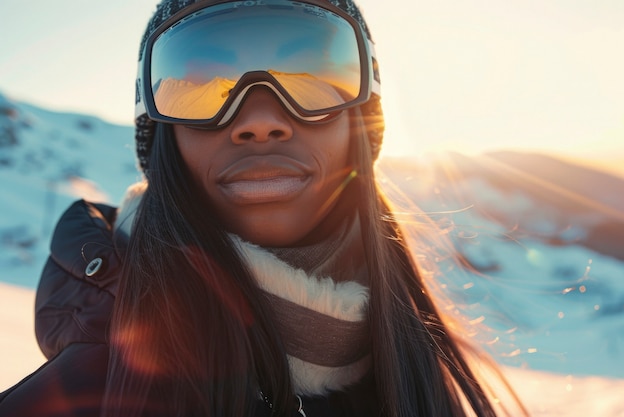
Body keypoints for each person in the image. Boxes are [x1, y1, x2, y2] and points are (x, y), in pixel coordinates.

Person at [0, 0, 527, 416]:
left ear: (359, 124)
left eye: (311, 74)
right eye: (203, 84)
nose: (259, 118)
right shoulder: (78, 400)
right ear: (162, 134)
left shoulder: (413, 375)